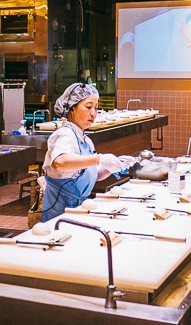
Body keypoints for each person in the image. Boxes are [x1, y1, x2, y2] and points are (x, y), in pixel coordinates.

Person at [40, 82, 134, 222]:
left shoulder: (85, 140)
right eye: (88, 107)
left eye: (96, 108)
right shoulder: (65, 134)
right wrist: (99, 159)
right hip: (58, 216)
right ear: (71, 108)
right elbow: (59, 163)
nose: (93, 113)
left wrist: (113, 165)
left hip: (78, 211)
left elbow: (92, 175)